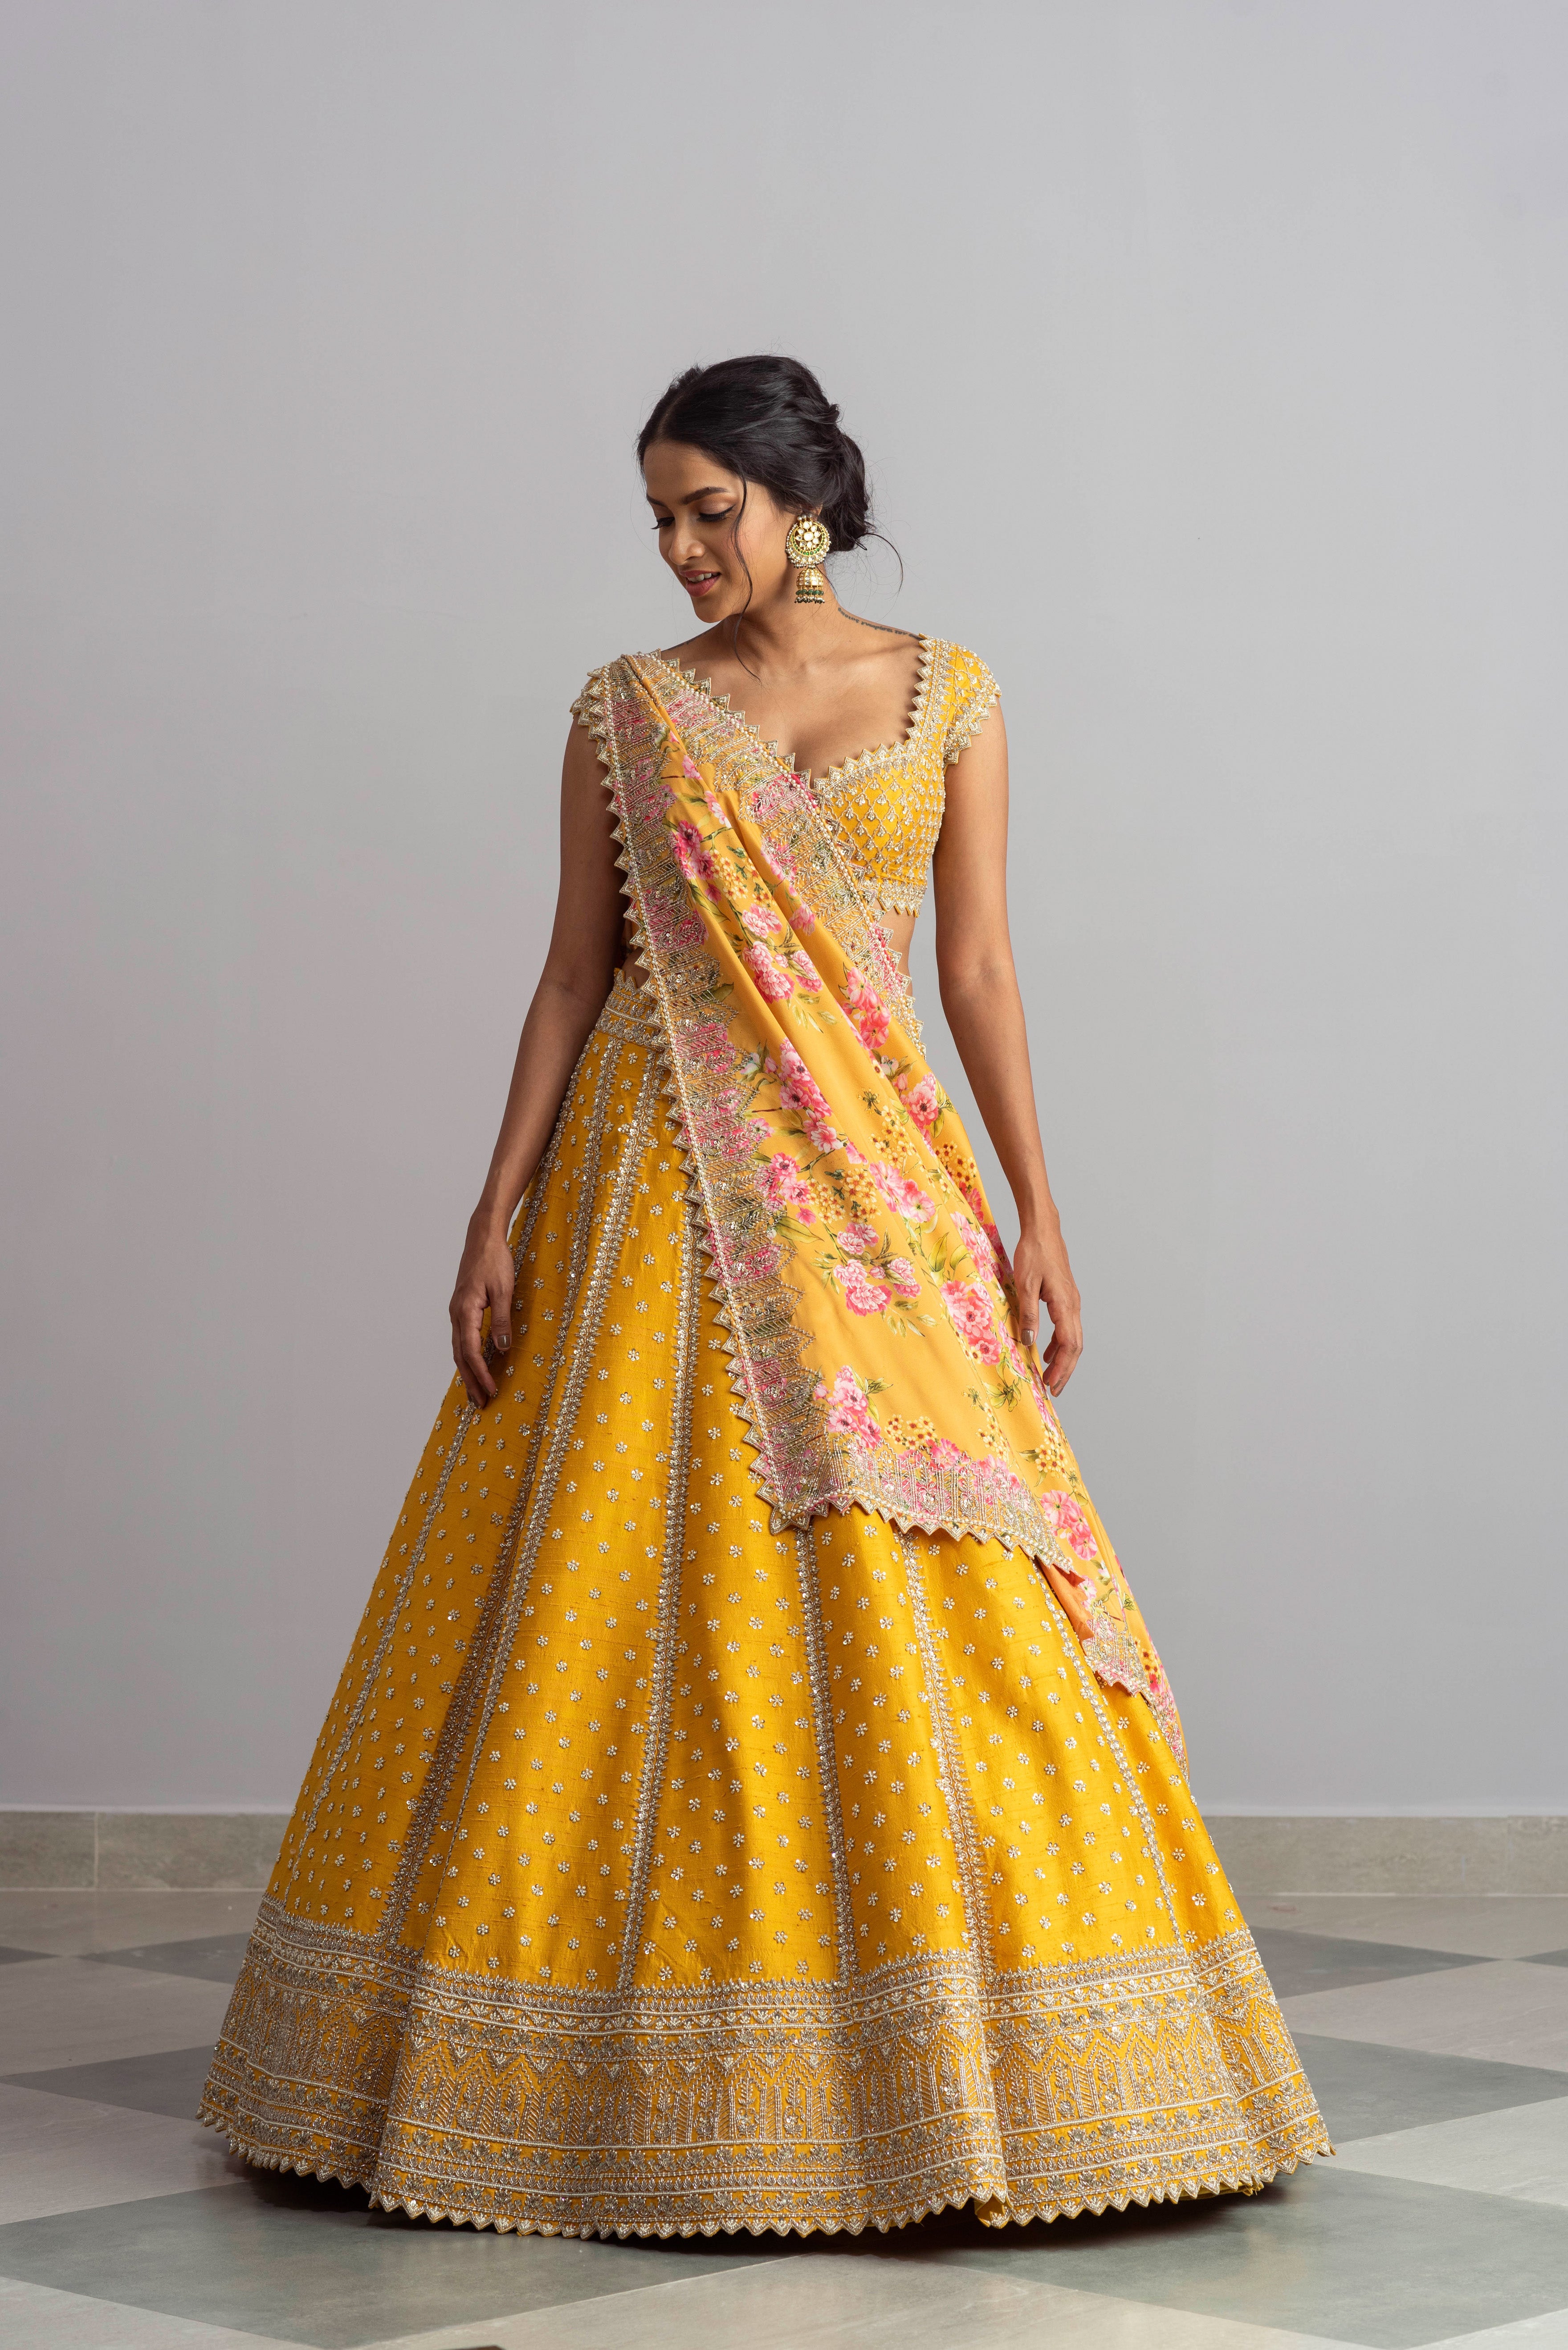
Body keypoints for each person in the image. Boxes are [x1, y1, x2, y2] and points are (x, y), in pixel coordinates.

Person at [201, 355, 1328, 2237]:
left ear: (804, 503)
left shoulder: (950, 695)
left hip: (869, 1180)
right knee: (598, 1586)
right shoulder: (629, 709)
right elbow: (572, 974)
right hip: (654, 1177)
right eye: (657, 516)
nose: (677, 548)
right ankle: (562, 2083)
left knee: (941, 1585)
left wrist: (1036, 1209)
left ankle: (973, 2072)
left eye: (706, 509)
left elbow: (976, 969)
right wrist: (494, 1205)